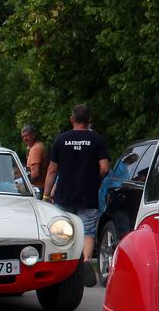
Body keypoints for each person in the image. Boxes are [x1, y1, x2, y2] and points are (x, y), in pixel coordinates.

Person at [43, 104, 110, 287]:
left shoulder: (61, 139)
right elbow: (104, 168)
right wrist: (97, 180)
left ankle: (63, 267)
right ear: (89, 120)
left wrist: (46, 194)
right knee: (87, 230)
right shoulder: (96, 139)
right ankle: (87, 260)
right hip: (87, 193)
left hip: (64, 194)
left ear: (72, 119)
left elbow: (51, 170)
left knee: (62, 230)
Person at [21, 125, 47, 190]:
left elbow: (36, 173)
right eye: (23, 136)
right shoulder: (36, 146)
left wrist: (27, 185)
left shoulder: (35, 149)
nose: (24, 138)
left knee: (13, 188)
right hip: (39, 186)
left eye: (26, 136)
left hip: (37, 187)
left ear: (33, 135)